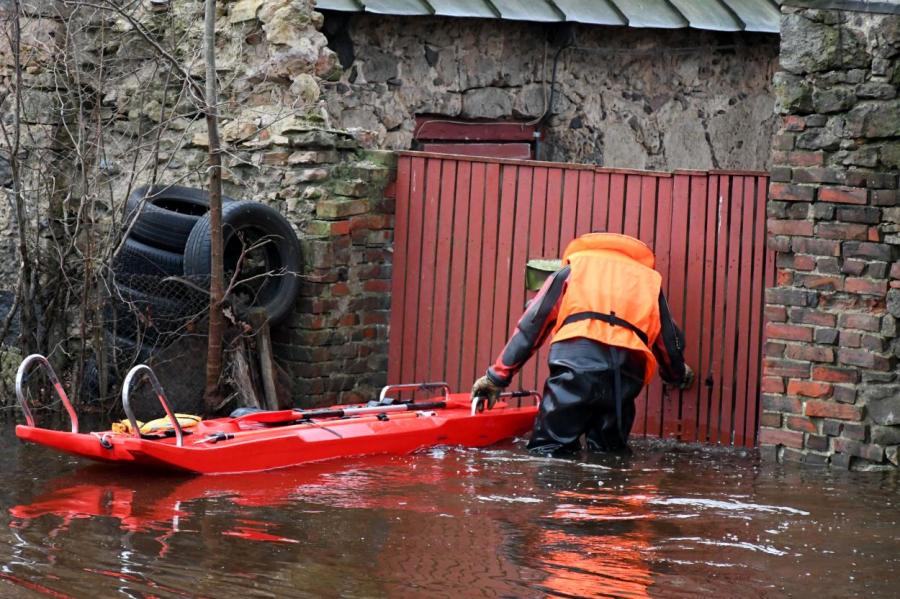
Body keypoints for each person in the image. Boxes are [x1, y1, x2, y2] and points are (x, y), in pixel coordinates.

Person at [471, 232, 694, 454]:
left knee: (549, 451)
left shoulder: (573, 269)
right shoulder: (648, 281)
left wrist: (496, 377)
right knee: (609, 458)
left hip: (575, 362)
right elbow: (669, 341)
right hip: (626, 373)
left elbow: (532, 325)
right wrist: (676, 374)